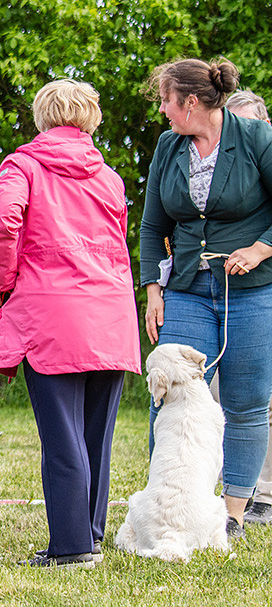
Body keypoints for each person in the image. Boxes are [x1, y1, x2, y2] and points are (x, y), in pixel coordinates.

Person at [0, 80, 140, 569]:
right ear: (89, 118)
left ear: (42, 116)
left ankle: (72, 547)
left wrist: (5, 280)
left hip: (50, 313)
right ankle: (88, 535)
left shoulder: (23, 165)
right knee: (97, 434)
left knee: (62, 436)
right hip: (109, 312)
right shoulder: (109, 177)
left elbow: (3, 220)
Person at [140, 58, 272, 540]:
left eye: (165, 101)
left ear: (190, 102)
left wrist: (261, 248)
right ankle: (167, 498)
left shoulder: (256, 138)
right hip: (188, 289)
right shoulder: (168, 146)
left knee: (246, 402)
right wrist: (154, 289)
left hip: (252, 289)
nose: (163, 111)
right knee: (171, 394)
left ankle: (233, 513)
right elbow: (154, 224)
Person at [206, 89, 272, 525]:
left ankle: (263, 495)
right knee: (224, 396)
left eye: (249, 125)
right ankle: (229, 491)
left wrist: (261, 248)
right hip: (235, 292)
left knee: (263, 399)